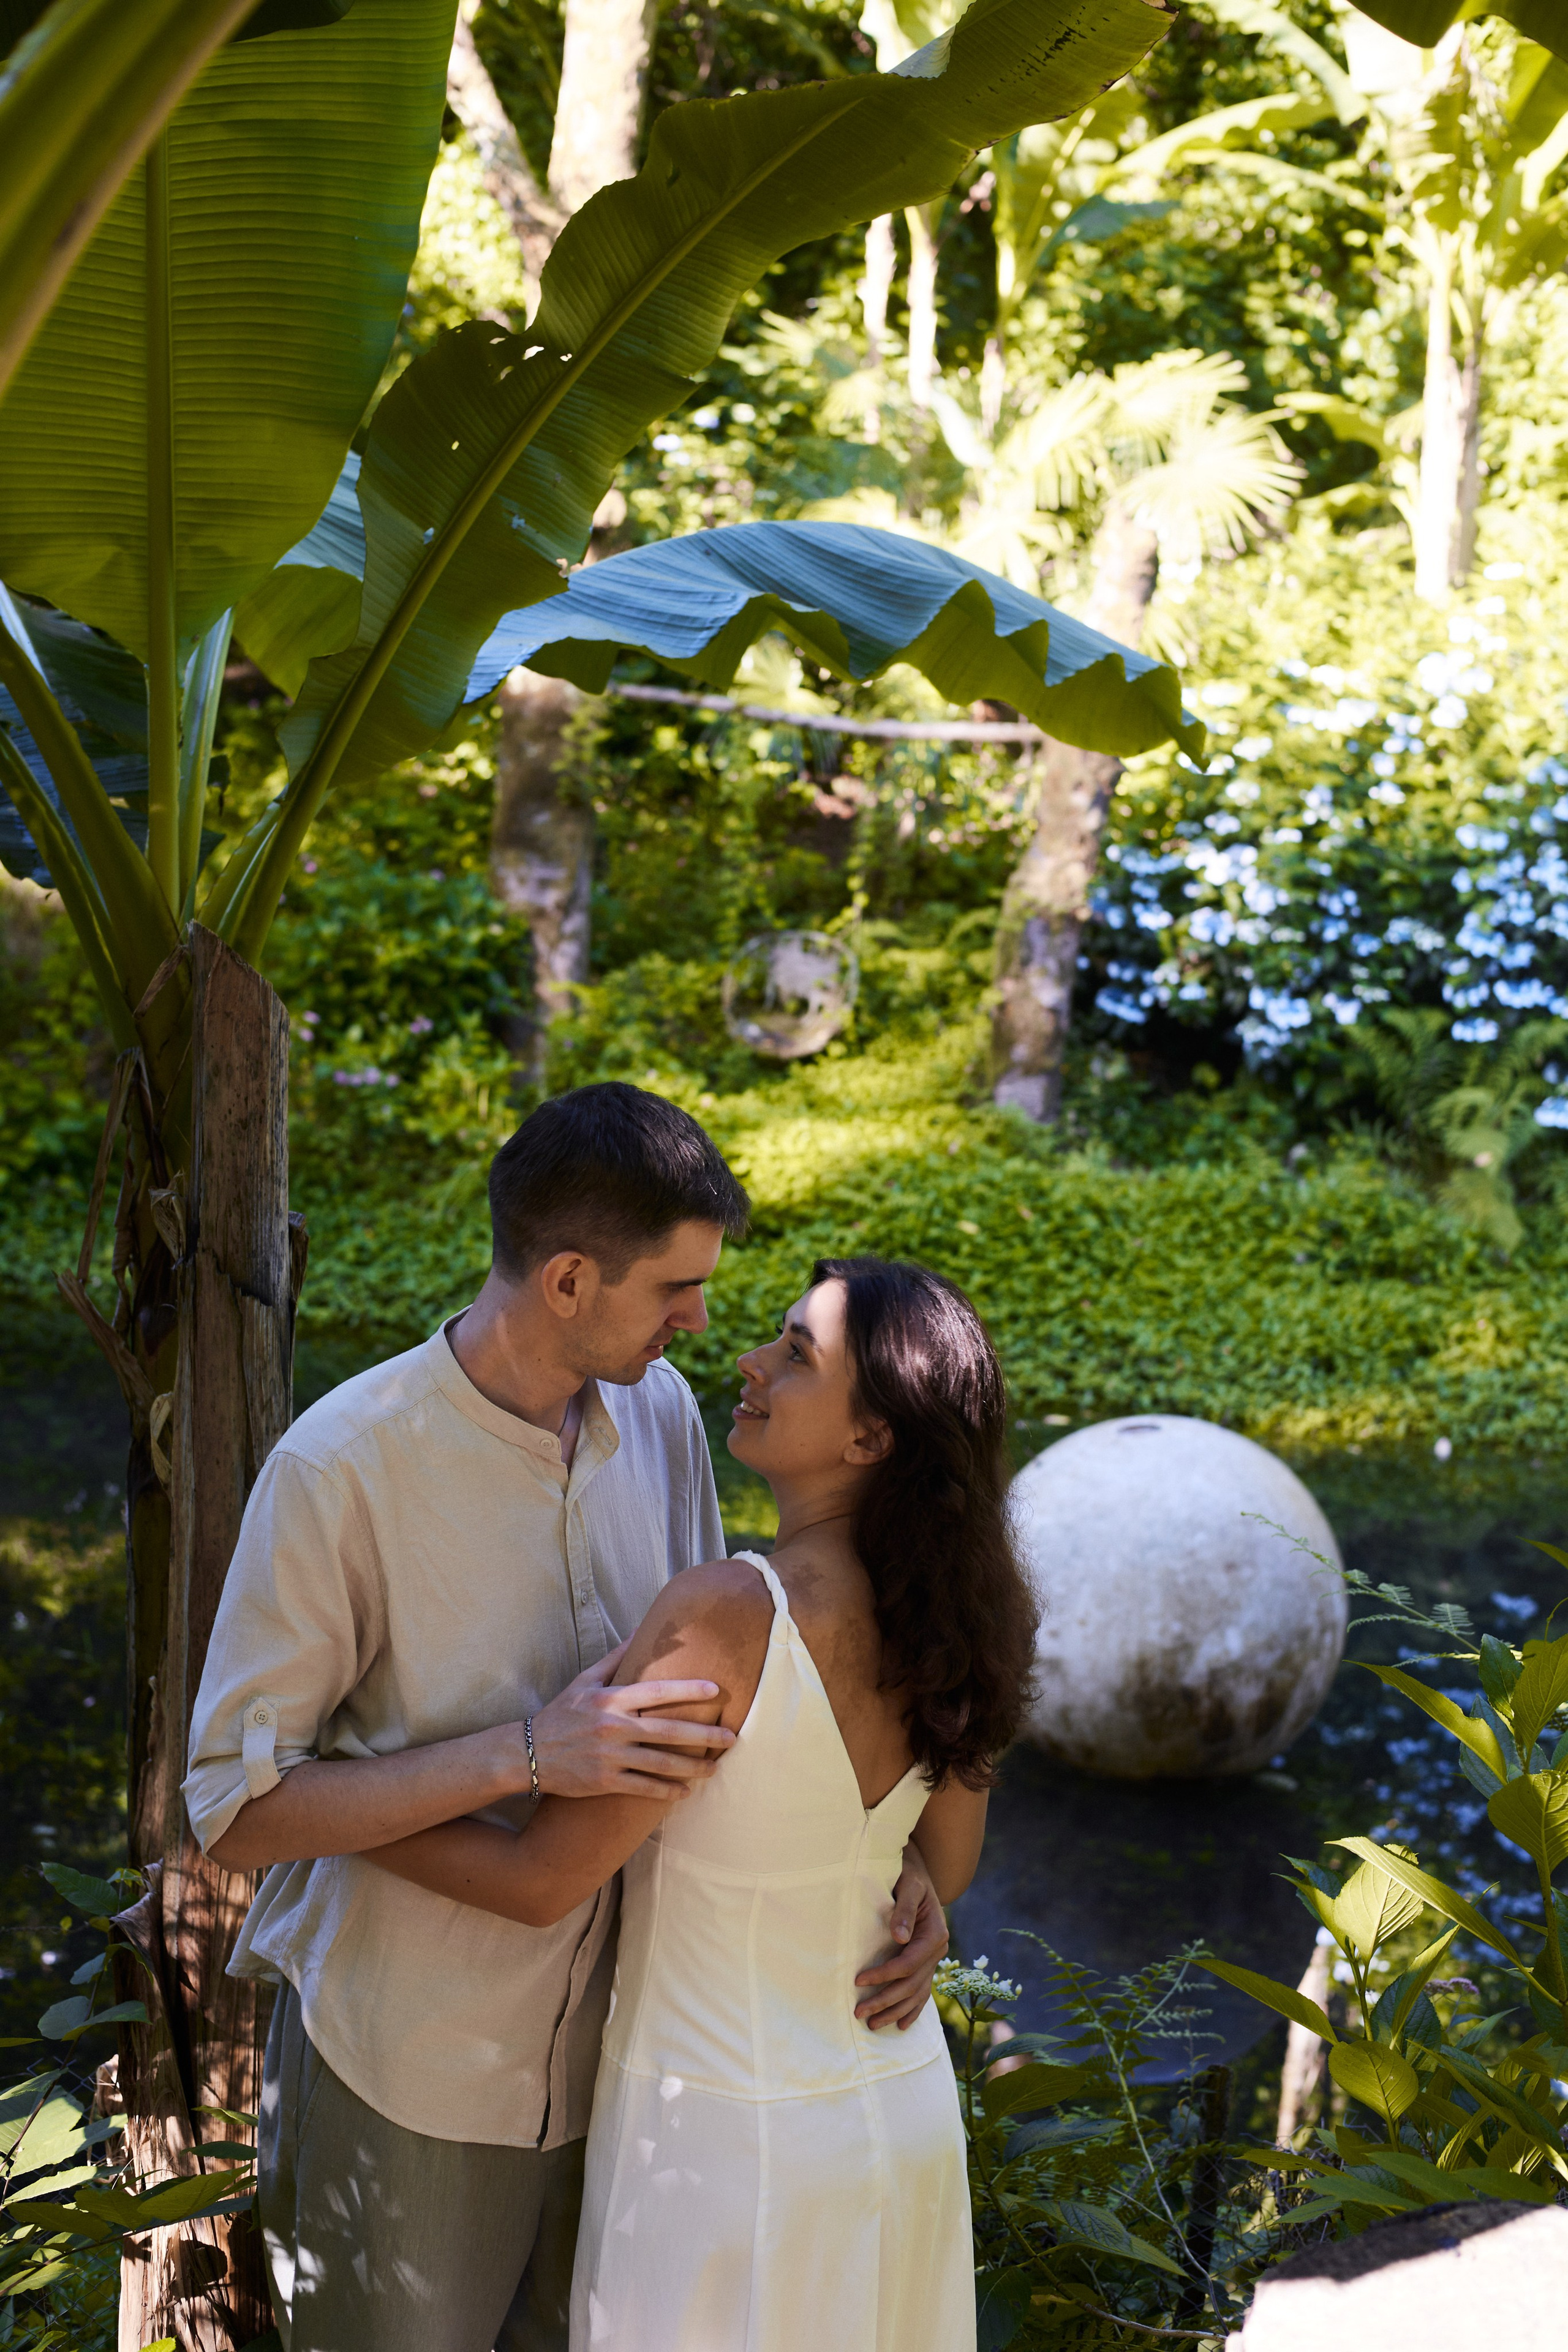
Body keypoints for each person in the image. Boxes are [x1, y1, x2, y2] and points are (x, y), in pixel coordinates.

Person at [184, 1087, 950, 2352]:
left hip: (642, 2086)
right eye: (675, 1290)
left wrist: (895, 1870)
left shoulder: (665, 1417)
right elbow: (234, 1810)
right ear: (569, 1280)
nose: (700, 1322)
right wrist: (523, 1754)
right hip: (415, 2082)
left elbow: (732, 1713)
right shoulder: (340, 1471)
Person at [366, 1254, 1041, 2352]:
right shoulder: (956, 1612)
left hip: (724, 2138)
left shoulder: (730, 1615)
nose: (751, 1360)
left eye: (796, 1354)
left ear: (872, 1439)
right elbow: (945, 1860)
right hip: (896, 2108)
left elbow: (539, 1881)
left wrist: (337, 1816)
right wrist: (894, 1872)